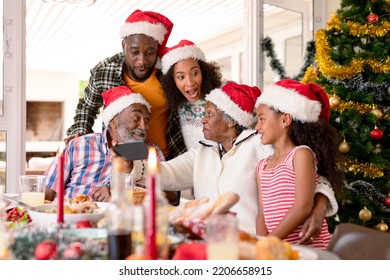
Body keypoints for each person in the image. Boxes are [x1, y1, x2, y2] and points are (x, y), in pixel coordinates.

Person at [158, 81, 338, 239]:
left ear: (231, 120)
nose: (202, 120)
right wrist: (131, 165)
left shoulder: (261, 142)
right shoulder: (203, 152)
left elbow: (313, 173)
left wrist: (320, 206)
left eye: (210, 113)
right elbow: (163, 172)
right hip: (214, 243)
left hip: (253, 242)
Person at [65, 9, 186, 161]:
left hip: (166, 157)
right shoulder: (104, 72)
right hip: (120, 157)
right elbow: (86, 109)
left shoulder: (169, 72)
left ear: (157, 47)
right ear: (123, 46)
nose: (142, 61)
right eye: (134, 52)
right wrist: (80, 134)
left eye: (149, 52)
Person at [255, 79, 344, 249]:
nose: (257, 126)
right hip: (280, 251)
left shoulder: (301, 155)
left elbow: (303, 207)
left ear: (285, 120)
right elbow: (262, 213)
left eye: (261, 119)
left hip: (309, 250)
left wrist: (268, 242)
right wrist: (259, 246)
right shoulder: (262, 166)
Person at [45, 86, 165, 203]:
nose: (144, 126)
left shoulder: (152, 152)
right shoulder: (79, 145)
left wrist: (116, 193)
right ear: (113, 121)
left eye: (146, 120)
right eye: (136, 118)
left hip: (125, 219)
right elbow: (47, 193)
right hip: (73, 215)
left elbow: (170, 196)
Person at [160, 39, 223, 149]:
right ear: (172, 81)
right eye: (181, 77)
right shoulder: (175, 109)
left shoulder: (223, 96)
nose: (190, 83)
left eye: (195, 73)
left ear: (203, 72)